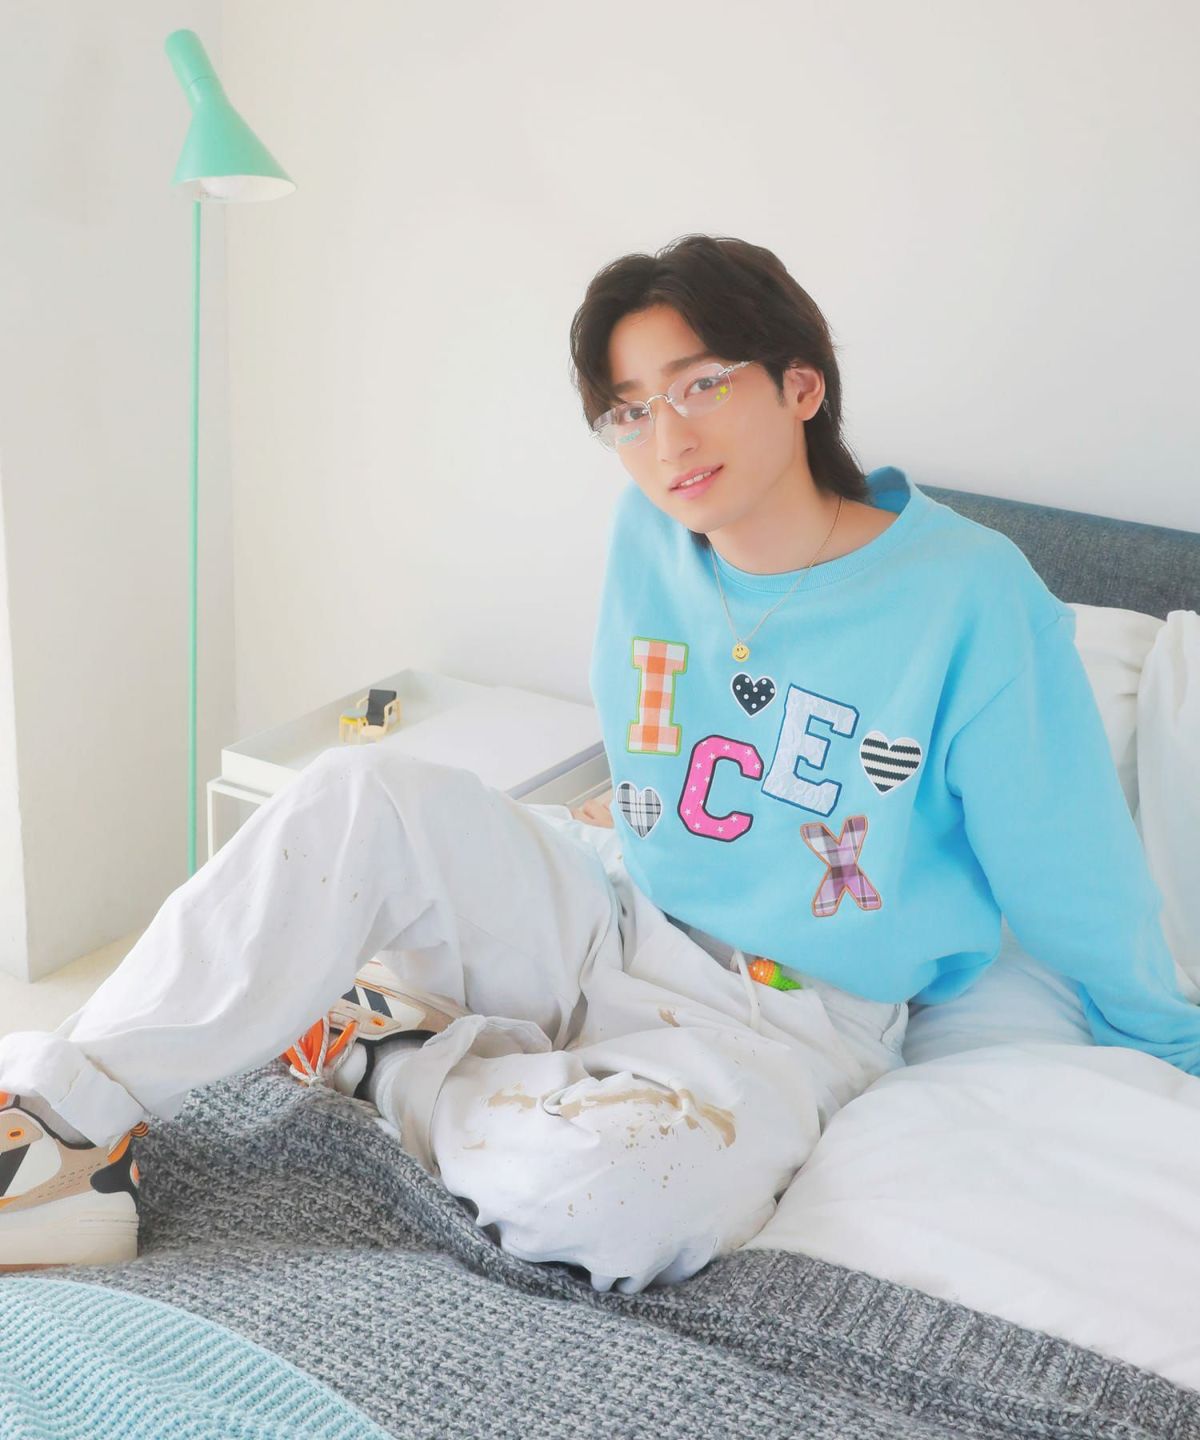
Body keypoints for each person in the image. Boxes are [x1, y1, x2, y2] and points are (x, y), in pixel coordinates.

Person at [3, 234, 1197, 1291]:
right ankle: (64, 1124)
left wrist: (1171, 1039)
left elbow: (1069, 862)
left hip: (795, 1018)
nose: (666, 439)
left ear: (801, 383)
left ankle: (395, 1058)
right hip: (611, 913)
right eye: (628, 412)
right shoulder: (651, 531)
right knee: (355, 794)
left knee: (611, 1203)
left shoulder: (970, 595)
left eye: (701, 385)